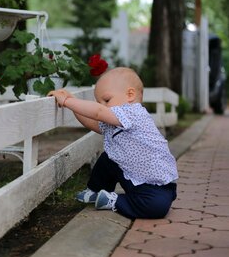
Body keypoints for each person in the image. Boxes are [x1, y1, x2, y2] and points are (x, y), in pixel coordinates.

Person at [47, 67, 178, 219]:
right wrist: (73, 106)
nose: (103, 106)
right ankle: (96, 190)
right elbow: (94, 123)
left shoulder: (133, 112)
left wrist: (68, 101)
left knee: (157, 207)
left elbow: (98, 112)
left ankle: (114, 201)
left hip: (154, 186)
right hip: (130, 174)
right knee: (109, 158)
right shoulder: (115, 119)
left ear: (130, 95)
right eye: (100, 102)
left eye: (107, 100)